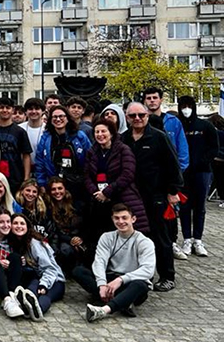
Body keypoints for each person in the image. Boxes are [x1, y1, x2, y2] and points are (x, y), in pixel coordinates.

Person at [121, 102, 183, 292]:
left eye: (141, 115)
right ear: (127, 117)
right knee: (137, 237)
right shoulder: (123, 139)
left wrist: (173, 191)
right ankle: (141, 275)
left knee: (160, 236)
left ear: (147, 115)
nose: (137, 119)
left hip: (155, 195)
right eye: (133, 116)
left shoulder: (159, 137)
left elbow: (173, 165)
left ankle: (167, 276)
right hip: (131, 197)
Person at [72, 203, 155, 323]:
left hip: (130, 281)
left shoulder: (144, 242)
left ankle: (103, 310)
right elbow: (100, 261)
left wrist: (121, 279)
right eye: (117, 218)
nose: (121, 221)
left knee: (141, 286)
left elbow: (148, 270)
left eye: (124, 218)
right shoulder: (107, 237)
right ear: (112, 219)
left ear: (133, 219)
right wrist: (101, 284)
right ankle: (123, 302)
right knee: (79, 271)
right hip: (109, 278)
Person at [84, 118, 148, 243]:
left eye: (103, 131)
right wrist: (97, 193)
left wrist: (107, 192)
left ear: (111, 133)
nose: (100, 135)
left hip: (122, 197)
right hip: (99, 201)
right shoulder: (92, 152)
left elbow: (127, 174)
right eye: (97, 132)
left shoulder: (123, 149)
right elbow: (86, 176)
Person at [176, 95, 218, 257]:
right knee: (185, 207)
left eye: (188, 105)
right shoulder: (178, 126)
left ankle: (198, 239)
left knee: (199, 207)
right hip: (184, 173)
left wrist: (203, 161)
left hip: (202, 172)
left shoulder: (205, 126)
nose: (186, 109)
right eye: (183, 106)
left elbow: (214, 147)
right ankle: (187, 238)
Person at [7, 213, 65, 321]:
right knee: (32, 286)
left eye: (22, 223)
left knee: (44, 296)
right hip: (38, 278)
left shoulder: (35, 243)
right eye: (15, 223)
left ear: (27, 226)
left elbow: (50, 268)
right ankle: (26, 303)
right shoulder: (14, 243)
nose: (19, 226)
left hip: (54, 280)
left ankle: (37, 310)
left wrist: (43, 285)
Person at [34, 105, 91, 203]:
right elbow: (40, 163)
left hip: (78, 184)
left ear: (67, 118)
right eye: (54, 117)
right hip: (55, 186)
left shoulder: (80, 136)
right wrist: (41, 183)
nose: (58, 119)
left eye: (61, 116)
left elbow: (90, 158)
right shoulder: (45, 138)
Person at [0, 97, 32, 194]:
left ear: (12, 110)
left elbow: (26, 156)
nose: (5, 110)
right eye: (2, 107)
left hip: (15, 176)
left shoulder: (20, 132)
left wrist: (26, 179)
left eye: (8, 108)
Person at [46, 176, 87, 273]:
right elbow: (54, 231)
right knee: (65, 249)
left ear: (65, 189)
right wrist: (70, 240)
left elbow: (85, 224)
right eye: (53, 189)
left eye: (60, 188)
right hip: (60, 239)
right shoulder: (48, 207)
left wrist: (79, 239)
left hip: (78, 236)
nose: (57, 192)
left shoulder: (76, 204)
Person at [143, 87, 190, 172]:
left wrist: (179, 170)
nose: (152, 100)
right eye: (149, 98)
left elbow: (182, 147)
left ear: (161, 100)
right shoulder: (140, 122)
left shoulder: (173, 122)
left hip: (170, 171)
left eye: (155, 97)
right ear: (144, 101)